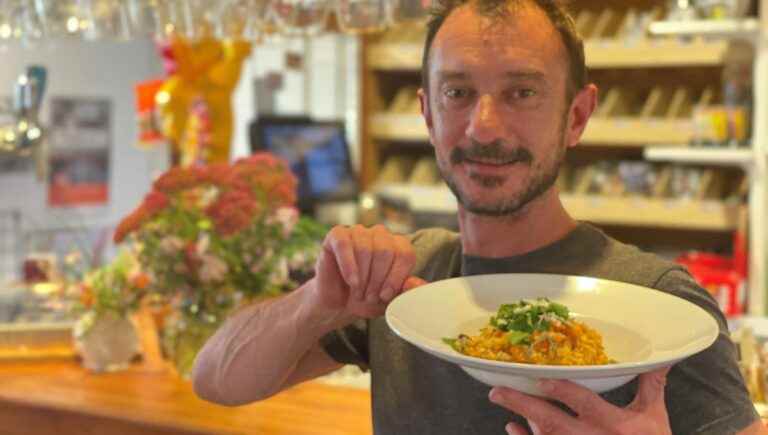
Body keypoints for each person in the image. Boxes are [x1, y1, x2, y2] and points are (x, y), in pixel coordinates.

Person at [192, 0, 767, 433]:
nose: (484, 127)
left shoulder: (659, 303)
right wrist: (318, 301)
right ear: (426, 113)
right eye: (458, 93)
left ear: (577, 116)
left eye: (521, 93)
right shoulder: (404, 281)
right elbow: (215, 380)